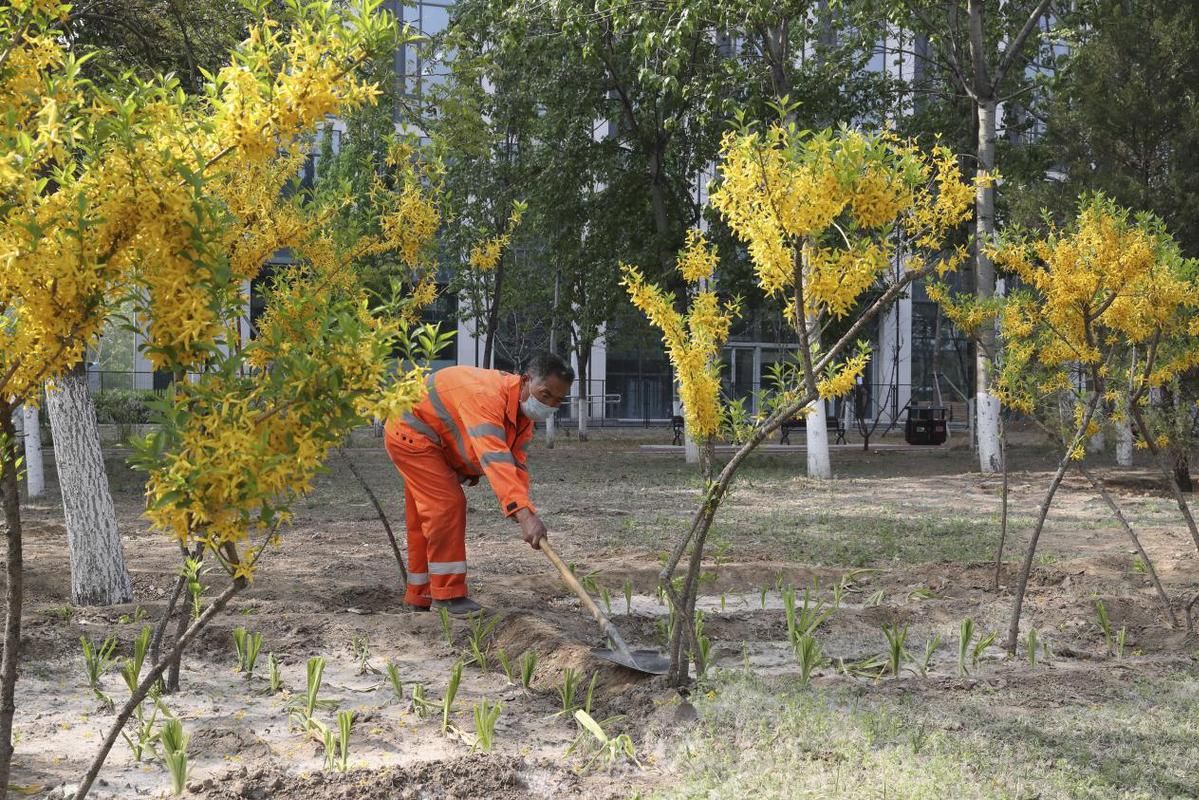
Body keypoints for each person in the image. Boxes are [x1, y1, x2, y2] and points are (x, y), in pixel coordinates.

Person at [384, 352, 574, 615]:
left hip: (435, 443)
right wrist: (524, 515)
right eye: (546, 395)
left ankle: (420, 595)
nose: (550, 405)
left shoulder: (521, 418)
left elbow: (515, 465)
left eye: (558, 400)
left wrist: (524, 510)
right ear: (527, 380)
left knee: (424, 518)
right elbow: (494, 458)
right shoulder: (485, 396)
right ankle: (447, 597)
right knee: (446, 506)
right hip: (411, 434)